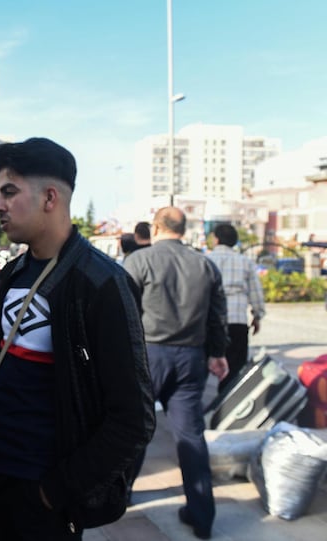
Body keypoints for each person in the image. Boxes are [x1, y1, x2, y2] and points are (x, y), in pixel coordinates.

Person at [0, 137, 155, 540]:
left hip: (45, 490)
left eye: (9, 192)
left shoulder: (101, 283)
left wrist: (57, 490)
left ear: (50, 197)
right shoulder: (10, 276)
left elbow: (134, 418)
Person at [123, 207, 229, 540]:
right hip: (191, 358)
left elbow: (122, 312)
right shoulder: (204, 264)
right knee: (190, 435)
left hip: (150, 355)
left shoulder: (139, 261)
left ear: (156, 227)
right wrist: (217, 352)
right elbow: (217, 314)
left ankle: (120, 492)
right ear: (183, 229)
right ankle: (201, 515)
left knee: (134, 426)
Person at [207, 223, 265, 392]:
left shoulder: (206, 260)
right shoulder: (245, 262)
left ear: (216, 239)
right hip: (237, 321)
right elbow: (256, 293)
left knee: (204, 366)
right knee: (234, 369)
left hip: (210, 322)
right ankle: (226, 404)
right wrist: (257, 315)